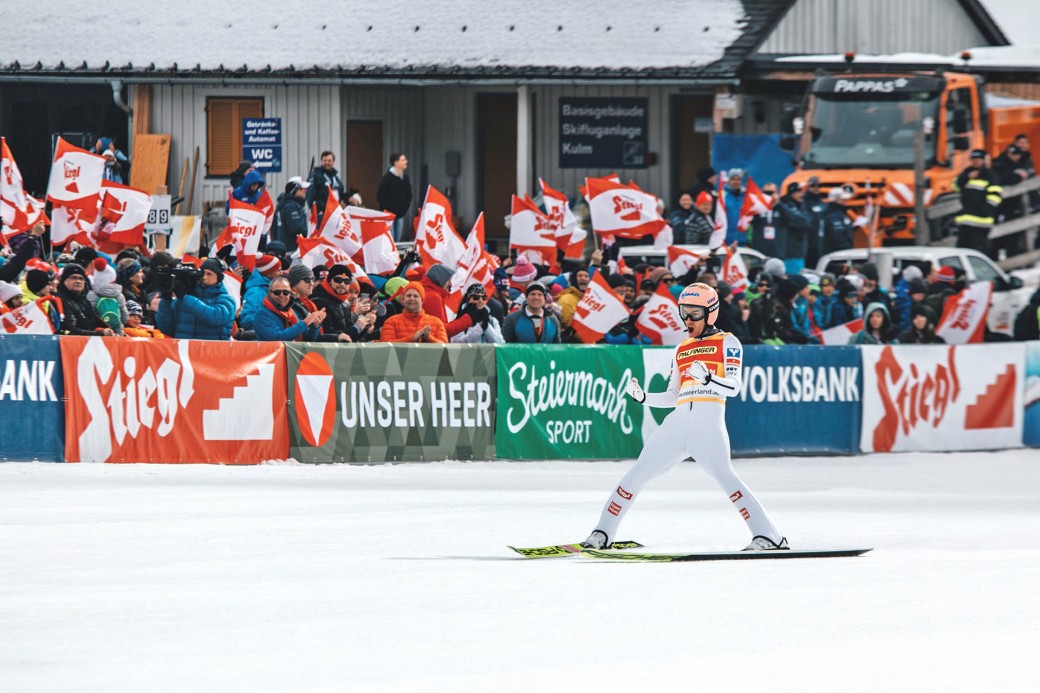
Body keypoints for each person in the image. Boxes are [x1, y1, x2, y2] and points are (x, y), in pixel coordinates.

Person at [582, 282, 787, 552]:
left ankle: (769, 536)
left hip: (708, 424)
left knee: (727, 479)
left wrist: (710, 378)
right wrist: (644, 397)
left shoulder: (728, 342)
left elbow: (735, 387)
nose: (687, 319)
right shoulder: (681, 348)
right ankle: (602, 533)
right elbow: (673, 395)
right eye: (683, 312)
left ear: (711, 313)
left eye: (695, 313)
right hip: (677, 425)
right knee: (635, 475)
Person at [156, 258, 236, 340]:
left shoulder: (227, 300)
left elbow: (214, 317)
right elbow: (166, 328)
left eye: (209, 274)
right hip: (185, 351)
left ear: (219, 278)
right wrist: (166, 300)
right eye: (202, 273)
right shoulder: (184, 300)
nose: (204, 277)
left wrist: (184, 297)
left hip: (211, 351)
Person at [953, 149, 1002, 258]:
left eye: (978, 159)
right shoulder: (967, 172)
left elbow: (995, 195)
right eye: (973, 159)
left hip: (981, 221)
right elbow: (955, 186)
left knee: (979, 250)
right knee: (962, 249)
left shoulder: (990, 174)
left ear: (983, 160)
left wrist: (985, 210)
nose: (975, 162)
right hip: (966, 220)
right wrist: (967, 177)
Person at [254, 277, 325, 342]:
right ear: (269, 293)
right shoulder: (262, 314)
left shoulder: (291, 312)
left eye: (285, 292)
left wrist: (315, 325)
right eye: (277, 292)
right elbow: (277, 338)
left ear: (290, 294)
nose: (281, 296)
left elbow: (307, 340)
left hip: (292, 355)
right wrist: (304, 323)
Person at [379, 281, 448, 343]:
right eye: (408, 296)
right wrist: (412, 339)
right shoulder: (391, 322)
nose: (412, 299)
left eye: (415, 296)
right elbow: (386, 345)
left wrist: (429, 338)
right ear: (403, 300)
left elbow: (445, 347)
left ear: (422, 300)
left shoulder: (437, 323)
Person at [55, 263, 114, 336]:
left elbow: (98, 322)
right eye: (73, 277)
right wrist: (100, 333)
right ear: (64, 280)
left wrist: (110, 331)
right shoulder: (60, 300)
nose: (78, 281)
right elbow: (71, 330)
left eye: (81, 278)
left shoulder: (85, 302)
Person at [775, 182, 814, 275]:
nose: (802, 195)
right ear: (792, 193)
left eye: (802, 192)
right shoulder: (785, 206)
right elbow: (800, 222)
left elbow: (806, 223)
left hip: (798, 252)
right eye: (799, 192)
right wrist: (780, 207)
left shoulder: (803, 206)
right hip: (789, 253)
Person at [376, 153, 413, 242]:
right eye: (403, 160)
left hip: (400, 214)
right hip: (389, 215)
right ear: (396, 162)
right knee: (390, 239)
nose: (406, 162)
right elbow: (380, 196)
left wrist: (404, 209)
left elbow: (409, 195)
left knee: (398, 239)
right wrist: (389, 209)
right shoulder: (387, 178)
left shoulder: (405, 178)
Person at [306, 150, 345, 225]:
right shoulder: (315, 176)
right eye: (325, 160)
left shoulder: (335, 177)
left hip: (334, 213)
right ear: (322, 161)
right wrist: (317, 211)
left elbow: (341, 192)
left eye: (329, 161)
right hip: (322, 214)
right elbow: (310, 195)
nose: (327, 163)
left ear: (333, 162)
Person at [275, 177, 311, 253]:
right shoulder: (292, 206)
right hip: (293, 248)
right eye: (301, 189)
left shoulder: (282, 205)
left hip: (284, 247)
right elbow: (297, 229)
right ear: (294, 190)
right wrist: (310, 235)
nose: (305, 191)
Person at [723, 170, 745, 245]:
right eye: (733, 179)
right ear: (728, 181)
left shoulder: (746, 197)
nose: (736, 182)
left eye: (738, 179)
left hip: (744, 241)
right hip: (727, 240)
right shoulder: (722, 196)